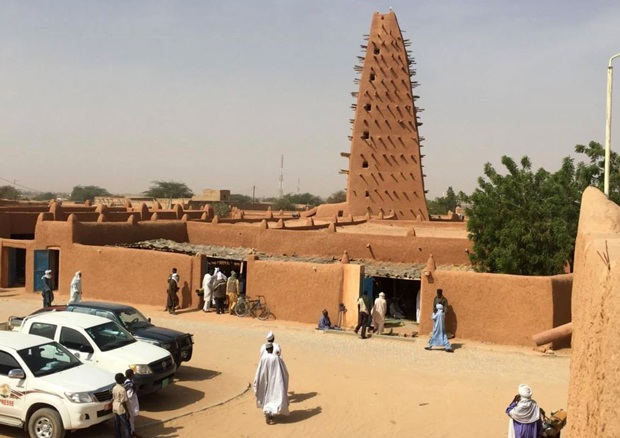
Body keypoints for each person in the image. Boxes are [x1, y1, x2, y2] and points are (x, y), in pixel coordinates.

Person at [253, 342, 290, 425]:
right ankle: (270, 412)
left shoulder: (263, 358)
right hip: (275, 381)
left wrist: (258, 380)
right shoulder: (276, 358)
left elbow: (259, 371)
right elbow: (283, 370)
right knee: (274, 396)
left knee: (266, 396)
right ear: (272, 349)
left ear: (266, 349)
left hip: (266, 381)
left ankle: (268, 411)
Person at [113, 372, 132, 438]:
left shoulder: (114, 387)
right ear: (121, 379)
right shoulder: (122, 389)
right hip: (121, 408)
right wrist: (127, 412)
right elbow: (123, 402)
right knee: (127, 425)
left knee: (117, 425)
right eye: (123, 377)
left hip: (115, 407)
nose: (124, 378)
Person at [123, 369, 140, 438]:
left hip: (131, 403)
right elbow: (129, 395)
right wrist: (135, 390)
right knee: (130, 419)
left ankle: (132, 431)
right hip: (130, 403)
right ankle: (131, 433)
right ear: (131, 375)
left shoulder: (127, 382)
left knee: (131, 419)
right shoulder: (129, 384)